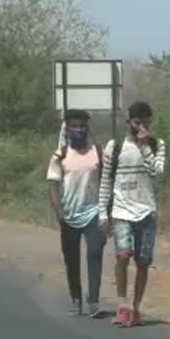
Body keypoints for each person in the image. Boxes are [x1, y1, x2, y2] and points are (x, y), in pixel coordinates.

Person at [98, 101, 165, 327]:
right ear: (129, 122)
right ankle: (122, 304)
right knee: (122, 256)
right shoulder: (114, 147)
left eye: (145, 123)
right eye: (137, 123)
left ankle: (136, 308)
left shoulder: (157, 145)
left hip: (146, 211)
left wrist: (145, 146)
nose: (141, 127)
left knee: (143, 262)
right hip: (121, 211)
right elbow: (106, 180)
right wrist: (102, 214)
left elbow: (157, 173)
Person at [46, 109, 106, 317]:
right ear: (68, 129)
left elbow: (108, 180)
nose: (79, 130)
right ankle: (76, 298)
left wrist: (107, 211)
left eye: (82, 126)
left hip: (94, 213)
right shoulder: (60, 155)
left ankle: (94, 301)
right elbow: (53, 185)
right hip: (69, 215)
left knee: (94, 254)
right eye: (74, 126)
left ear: (87, 128)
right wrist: (59, 212)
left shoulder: (97, 152)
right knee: (71, 259)